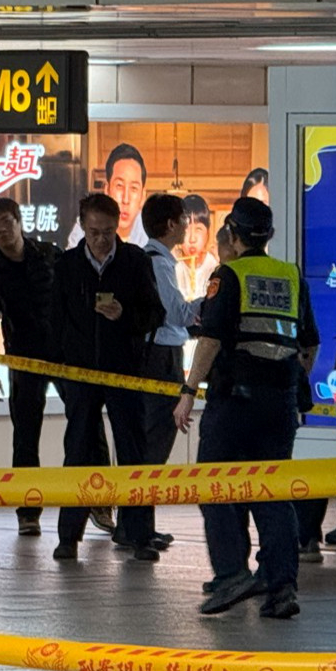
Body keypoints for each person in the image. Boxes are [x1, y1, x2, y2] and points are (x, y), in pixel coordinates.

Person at [173, 197, 318, 619]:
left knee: (214, 483)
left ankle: (232, 573)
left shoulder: (229, 275)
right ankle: (281, 586)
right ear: (268, 236)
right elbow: (308, 343)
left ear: (232, 235)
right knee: (272, 492)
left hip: (234, 402)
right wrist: (289, 379)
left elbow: (212, 339)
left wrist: (187, 391)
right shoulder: (291, 276)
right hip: (280, 404)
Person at [51, 193, 163, 562]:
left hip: (125, 370)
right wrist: (64, 364)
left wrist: (125, 316)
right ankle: (69, 535)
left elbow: (154, 315)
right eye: (95, 232)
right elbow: (56, 320)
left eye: (109, 232)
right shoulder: (67, 265)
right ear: (82, 226)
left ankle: (139, 534)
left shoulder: (134, 261)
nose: (101, 240)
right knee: (78, 450)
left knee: (133, 451)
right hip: (81, 373)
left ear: (120, 228)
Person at [0, 196, 62, 539]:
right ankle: (28, 512)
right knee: (25, 437)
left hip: (66, 355)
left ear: (19, 220)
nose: (2, 230)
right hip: (23, 359)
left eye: (6, 221)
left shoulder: (51, 254)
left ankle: (98, 503)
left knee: (87, 430)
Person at [135, 193, 196, 549]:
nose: (187, 225)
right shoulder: (159, 261)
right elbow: (177, 314)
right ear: (171, 224)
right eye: (183, 218)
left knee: (151, 441)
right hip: (161, 356)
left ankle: (140, 525)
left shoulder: (152, 258)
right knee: (155, 441)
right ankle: (139, 527)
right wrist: (211, 303)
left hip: (157, 352)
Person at [66, 144, 150, 249]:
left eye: (134, 188)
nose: (125, 199)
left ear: (143, 197)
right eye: (119, 186)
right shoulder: (87, 225)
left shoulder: (152, 231)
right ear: (107, 190)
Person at [175, 194, 219, 299]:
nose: (192, 239)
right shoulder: (173, 266)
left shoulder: (214, 267)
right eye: (186, 230)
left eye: (198, 229)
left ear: (207, 233)